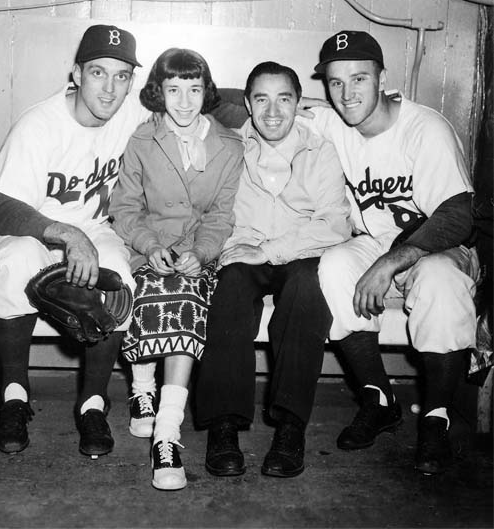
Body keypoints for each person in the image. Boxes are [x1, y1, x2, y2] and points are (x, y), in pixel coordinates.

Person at [311, 30, 480, 475]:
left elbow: (458, 216)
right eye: (335, 82)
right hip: (376, 241)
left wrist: (390, 263)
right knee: (334, 265)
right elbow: (265, 108)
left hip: (437, 245)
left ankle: (436, 418)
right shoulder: (331, 122)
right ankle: (378, 399)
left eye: (359, 79)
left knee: (441, 283)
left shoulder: (425, 128)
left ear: (383, 78)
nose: (347, 94)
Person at [0, 24, 150, 458]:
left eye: (121, 75)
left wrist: (300, 108)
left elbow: (201, 101)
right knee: (13, 262)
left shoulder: (132, 113)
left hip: (95, 231)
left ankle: (92, 404)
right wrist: (67, 235)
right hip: (35, 231)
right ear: (76, 74)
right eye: (98, 73)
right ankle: (14, 398)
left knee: (118, 278)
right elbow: (3, 210)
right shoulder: (39, 124)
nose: (110, 88)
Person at [195, 61, 351, 478]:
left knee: (306, 289)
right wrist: (234, 249)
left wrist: (271, 250)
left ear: (299, 104)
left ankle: (290, 427)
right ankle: (224, 426)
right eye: (261, 99)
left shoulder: (320, 151)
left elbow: (336, 224)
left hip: (299, 250)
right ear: (247, 104)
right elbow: (211, 212)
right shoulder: (227, 147)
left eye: (284, 99)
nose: (272, 111)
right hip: (242, 251)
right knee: (229, 288)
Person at [109, 48, 244, 490]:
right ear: (159, 92)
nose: (184, 102)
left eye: (193, 89)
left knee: (185, 298)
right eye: (173, 90)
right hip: (146, 247)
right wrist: (149, 247)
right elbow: (124, 208)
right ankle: (142, 387)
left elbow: (222, 216)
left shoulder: (228, 144)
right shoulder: (142, 140)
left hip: (197, 255)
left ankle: (166, 437)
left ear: (206, 91)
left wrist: (201, 254)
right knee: (148, 286)